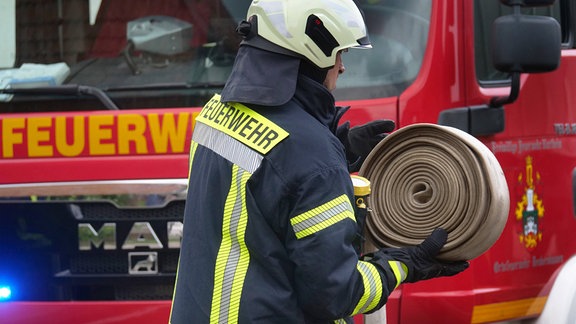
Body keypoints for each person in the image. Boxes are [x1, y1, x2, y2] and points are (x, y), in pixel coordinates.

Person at [170, 0, 469, 323]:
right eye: (340, 53)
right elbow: (335, 294)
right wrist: (403, 264)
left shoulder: (215, 114)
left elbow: (269, 175)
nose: (342, 67)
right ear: (314, 54)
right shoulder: (311, 157)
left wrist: (338, 146)